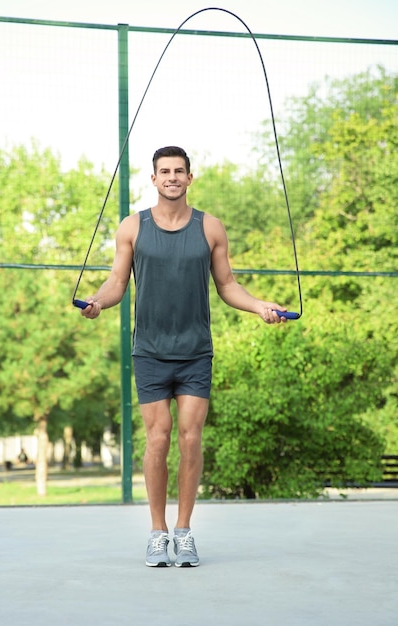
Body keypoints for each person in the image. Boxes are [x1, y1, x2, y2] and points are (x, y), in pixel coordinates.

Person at [80, 146, 288, 567]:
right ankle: (157, 534)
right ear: (153, 179)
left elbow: (228, 285)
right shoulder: (131, 228)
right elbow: (117, 283)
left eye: (179, 171)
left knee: (191, 438)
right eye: (164, 171)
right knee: (158, 438)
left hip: (195, 352)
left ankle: (184, 532)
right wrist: (98, 303)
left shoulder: (210, 227)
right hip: (151, 353)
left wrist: (259, 305)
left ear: (190, 178)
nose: (172, 177)